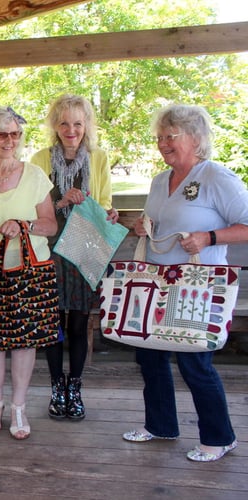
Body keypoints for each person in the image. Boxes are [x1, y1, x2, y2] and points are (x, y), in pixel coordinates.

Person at [122, 104, 248, 462]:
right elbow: (156, 221)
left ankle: (219, 437)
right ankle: (160, 425)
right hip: (158, 285)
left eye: (170, 136)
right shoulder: (160, 180)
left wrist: (209, 236)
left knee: (195, 364)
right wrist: (143, 227)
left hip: (196, 288)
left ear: (195, 138)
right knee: (150, 358)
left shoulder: (216, 178)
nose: (162, 143)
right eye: (160, 137)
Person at [0, 106, 59, 439]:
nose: (10, 141)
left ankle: (18, 408)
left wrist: (25, 225)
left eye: (15, 134)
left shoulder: (34, 175)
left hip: (30, 271)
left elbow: (50, 225)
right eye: (2, 134)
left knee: (24, 342)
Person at [30, 94, 119, 420]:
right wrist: (61, 201)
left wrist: (110, 213)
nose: (71, 130)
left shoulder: (98, 158)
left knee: (79, 323)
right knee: (53, 325)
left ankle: (75, 387)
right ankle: (56, 387)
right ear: (55, 125)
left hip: (85, 249)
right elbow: (31, 209)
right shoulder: (40, 159)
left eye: (78, 123)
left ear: (87, 126)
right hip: (49, 251)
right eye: (64, 123)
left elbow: (106, 203)